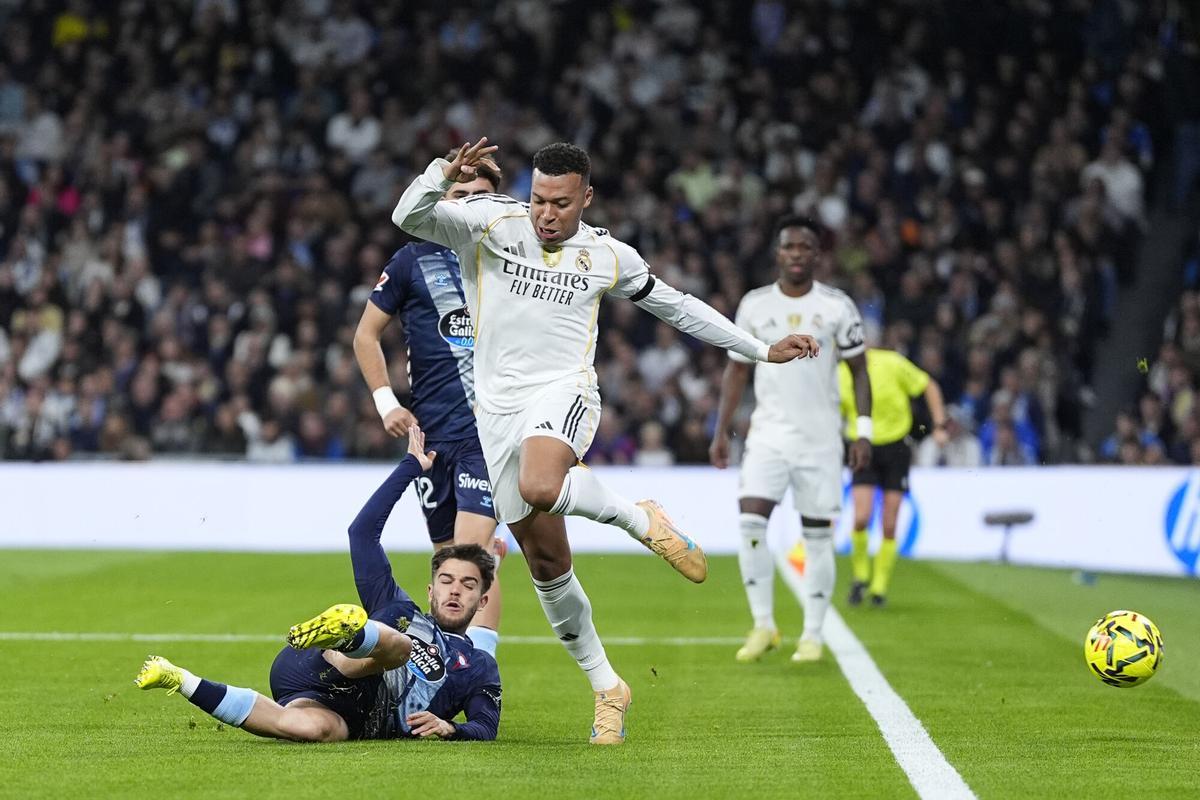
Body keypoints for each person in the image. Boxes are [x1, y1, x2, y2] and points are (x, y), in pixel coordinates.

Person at [391, 137, 819, 744]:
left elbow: (679, 307)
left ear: (586, 199)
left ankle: (637, 519)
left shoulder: (608, 256)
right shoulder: (491, 224)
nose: (546, 214)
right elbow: (407, 216)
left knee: (542, 484)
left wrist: (757, 349)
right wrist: (441, 171)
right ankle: (608, 688)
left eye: (561, 204)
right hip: (497, 415)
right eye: (539, 199)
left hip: (565, 393)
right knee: (546, 564)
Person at [135, 427, 502, 742]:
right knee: (401, 643)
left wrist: (451, 728)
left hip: (347, 714)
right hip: (319, 663)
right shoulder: (400, 605)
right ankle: (343, 636)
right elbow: (361, 533)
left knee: (311, 730)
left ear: (482, 602)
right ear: (430, 590)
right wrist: (410, 467)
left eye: (468, 585)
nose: (454, 590)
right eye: (446, 581)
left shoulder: (478, 665)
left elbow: (486, 725)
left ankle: (179, 679)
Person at [354, 149, 503, 655]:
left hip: (488, 432)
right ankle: (459, 668)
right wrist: (385, 403)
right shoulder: (411, 259)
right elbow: (365, 336)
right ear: (441, 201)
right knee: (447, 563)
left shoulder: (506, 260)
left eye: (480, 197)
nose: (468, 206)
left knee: (469, 557)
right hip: (432, 436)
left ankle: (481, 674)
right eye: (459, 195)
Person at [710, 215, 872, 665]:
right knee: (750, 524)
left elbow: (860, 372)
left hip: (821, 439)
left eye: (805, 247)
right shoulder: (755, 305)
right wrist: (721, 430)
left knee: (818, 535)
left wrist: (863, 431)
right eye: (789, 247)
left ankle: (813, 634)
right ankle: (764, 625)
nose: (796, 254)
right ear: (777, 254)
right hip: (768, 434)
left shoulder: (838, 306)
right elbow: (736, 369)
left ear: (816, 255)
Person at [838, 348, 948, 607]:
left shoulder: (892, 363)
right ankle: (860, 576)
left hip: (896, 447)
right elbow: (832, 411)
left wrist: (940, 424)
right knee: (861, 517)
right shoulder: (839, 374)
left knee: (890, 521)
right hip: (862, 446)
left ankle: (879, 587)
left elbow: (928, 385)